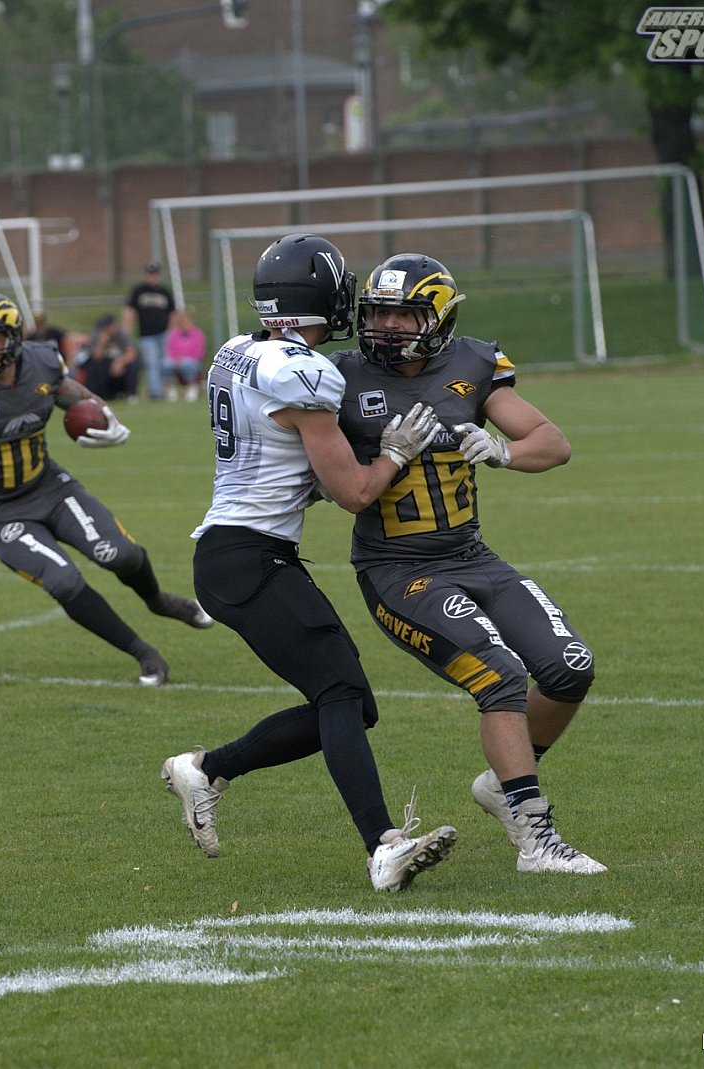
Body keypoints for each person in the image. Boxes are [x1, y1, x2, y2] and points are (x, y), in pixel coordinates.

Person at [160, 234, 456, 892]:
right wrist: (396, 453)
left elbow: (284, 455)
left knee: (350, 703)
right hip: (249, 556)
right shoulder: (305, 371)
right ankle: (383, 846)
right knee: (340, 694)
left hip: (234, 553)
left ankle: (207, 770)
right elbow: (354, 493)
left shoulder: (236, 350)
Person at [328, 252, 606, 875]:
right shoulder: (338, 376)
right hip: (397, 571)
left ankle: (504, 783)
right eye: (378, 312)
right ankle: (536, 837)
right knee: (499, 675)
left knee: (570, 668)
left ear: (440, 318)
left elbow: (552, 444)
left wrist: (503, 452)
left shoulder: (473, 364)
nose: (386, 326)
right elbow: (320, 474)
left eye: (403, 314)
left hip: (470, 555)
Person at [0, 291, 213, 686]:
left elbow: (78, 398)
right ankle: (144, 654)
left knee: (122, 554)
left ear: (14, 337)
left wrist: (108, 420)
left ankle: (159, 601)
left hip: (49, 487)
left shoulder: (42, 364)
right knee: (63, 580)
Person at [122, 260, 175, 401]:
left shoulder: (164, 292)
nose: (153, 277)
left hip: (164, 334)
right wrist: (127, 328)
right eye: (150, 274)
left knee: (164, 363)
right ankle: (155, 393)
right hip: (146, 335)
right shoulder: (139, 291)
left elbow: (172, 313)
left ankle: (166, 390)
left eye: (155, 274)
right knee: (152, 363)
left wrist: (171, 331)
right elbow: (130, 310)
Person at [164, 308, 208, 402]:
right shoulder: (174, 334)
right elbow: (170, 350)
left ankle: (192, 387)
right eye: (181, 322)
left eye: (185, 322)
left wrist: (184, 360)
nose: (183, 324)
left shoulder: (198, 334)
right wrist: (176, 359)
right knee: (165, 363)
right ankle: (170, 388)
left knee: (188, 364)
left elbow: (200, 352)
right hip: (176, 361)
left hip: (192, 361)